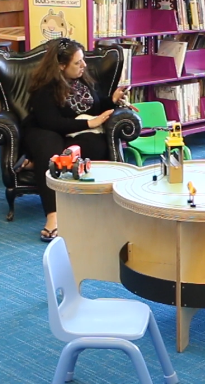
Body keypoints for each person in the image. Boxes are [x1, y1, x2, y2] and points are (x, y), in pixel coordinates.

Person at [16, 38, 128, 242]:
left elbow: (92, 107)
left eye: (83, 60)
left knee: (95, 145)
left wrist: (111, 101)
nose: (84, 65)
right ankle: (53, 216)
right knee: (50, 151)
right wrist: (89, 123)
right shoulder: (45, 87)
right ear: (61, 66)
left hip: (72, 132)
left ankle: (36, 162)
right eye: (78, 62)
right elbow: (51, 122)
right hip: (45, 129)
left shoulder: (82, 79)